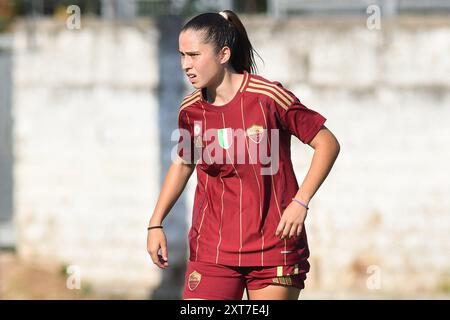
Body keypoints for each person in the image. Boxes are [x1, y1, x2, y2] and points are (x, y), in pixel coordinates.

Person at [147, 10, 340, 300]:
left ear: (223, 54)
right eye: (182, 55)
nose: (186, 65)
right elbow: (184, 162)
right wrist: (156, 221)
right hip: (212, 247)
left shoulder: (269, 97)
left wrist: (301, 201)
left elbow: (327, 143)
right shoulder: (190, 110)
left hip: (275, 245)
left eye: (194, 55)